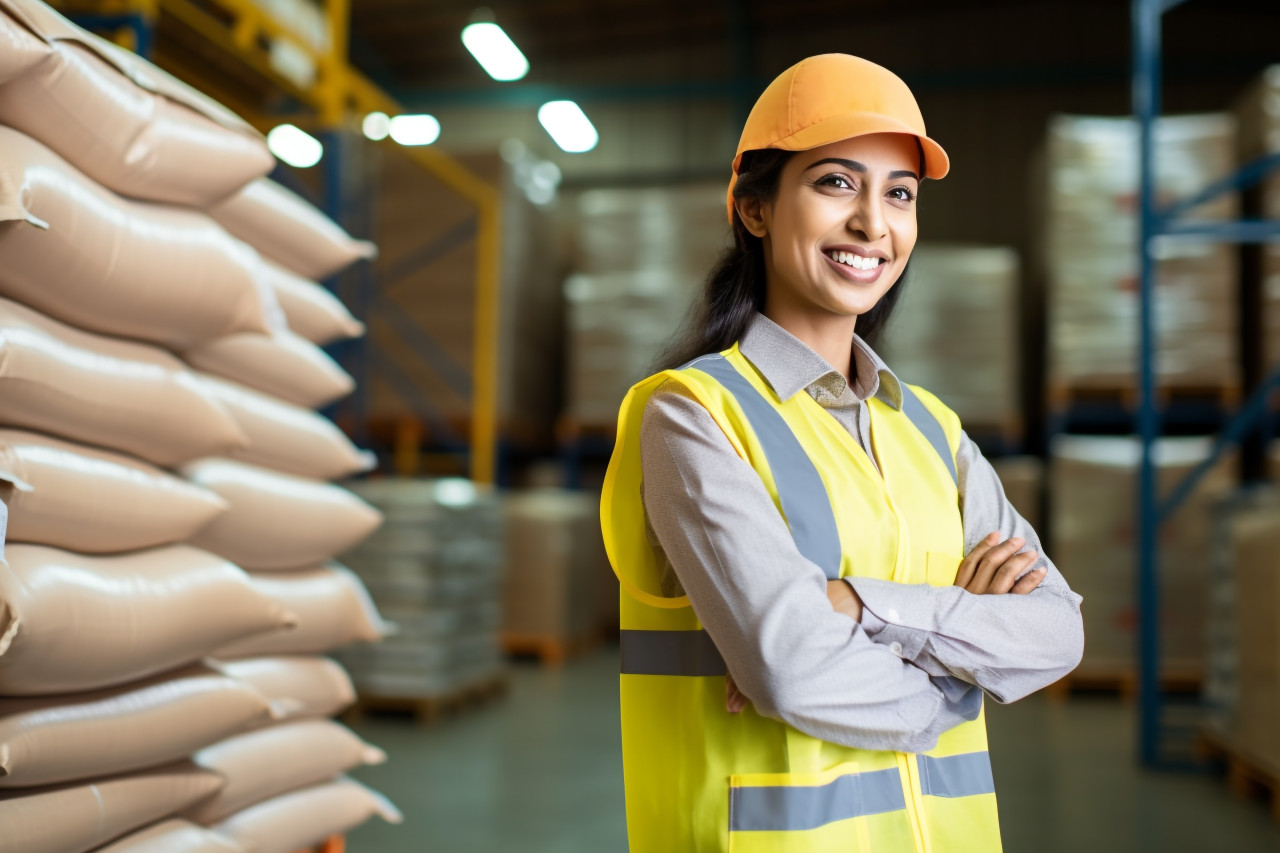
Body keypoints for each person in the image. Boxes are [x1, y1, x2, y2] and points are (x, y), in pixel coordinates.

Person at [600, 53, 1084, 852]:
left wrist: (857, 607)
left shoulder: (932, 430)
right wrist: (959, 681)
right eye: (835, 182)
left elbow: (1056, 634)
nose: (873, 223)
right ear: (754, 209)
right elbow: (791, 667)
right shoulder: (692, 415)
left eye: (899, 194)